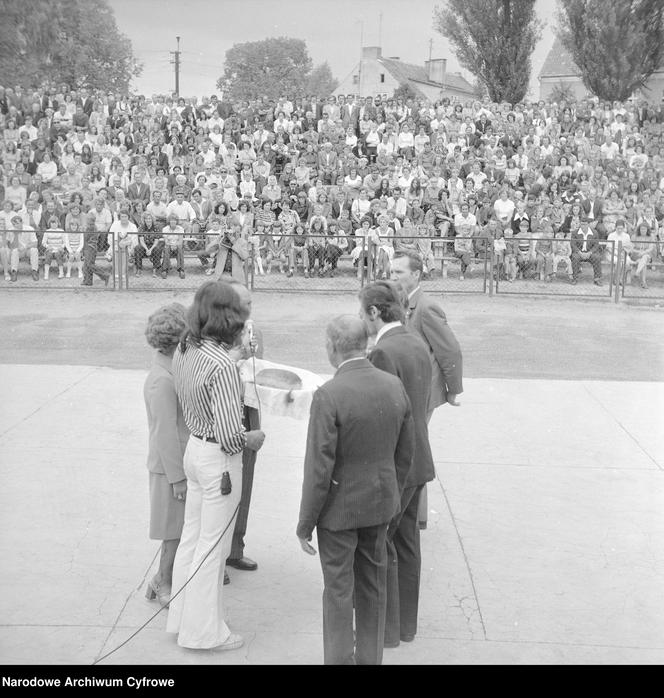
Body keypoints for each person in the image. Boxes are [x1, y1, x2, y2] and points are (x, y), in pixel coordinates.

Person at [297, 315, 414, 665]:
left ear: (333, 348)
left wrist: (305, 524)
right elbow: (405, 455)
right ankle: (369, 659)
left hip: (338, 513)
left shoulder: (329, 395)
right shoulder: (393, 386)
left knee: (337, 590)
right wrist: (392, 499)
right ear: (365, 343)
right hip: (379, 505)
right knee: (372, 587)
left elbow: (319, 469)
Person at [167, 281, 265, 651]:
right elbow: (229, 434)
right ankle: (205, 632)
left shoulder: (186, 348)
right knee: (213, 549)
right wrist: (250, 438)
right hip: (219, 459)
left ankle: (182, 619)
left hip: (194, 449)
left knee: (192, 540)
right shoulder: (222, 364)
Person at [359, 281, 434, 648]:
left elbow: (383, 416)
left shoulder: (383, 352)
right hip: (420, 460)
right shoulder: (415, 341)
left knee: (380, 547)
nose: (364, 321)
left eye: (364, 314)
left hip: (398, 467)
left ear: (375, 312)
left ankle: (384, 632)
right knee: (407, 546)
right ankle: (405, 626)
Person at [390, 250, 464, 529]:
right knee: (410, 449)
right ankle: (414, 514)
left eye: (399, 272)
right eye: (391, 271)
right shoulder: (398, 303)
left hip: (421, 393)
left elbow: (450, 349)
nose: (392, 276)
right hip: (405, 389)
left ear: (416, 275)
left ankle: (414, 516)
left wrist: (452, 390)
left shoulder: (425, 307)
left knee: (412, 450)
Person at [143, 303, 189, 607]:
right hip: (169, 467)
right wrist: (178, 478)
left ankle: (161, 580)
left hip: (176, 463)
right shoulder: (162, 379)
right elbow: (165, 433)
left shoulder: (170, 370)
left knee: (176, 530)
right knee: (172, 532)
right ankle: (163, 582)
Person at [226, 281, 264, 578]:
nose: (248, 309)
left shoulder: (255, 331)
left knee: (246, 483)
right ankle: (216, 554)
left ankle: (235, 549)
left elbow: (260, 369)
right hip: (225, 416)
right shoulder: (216, 334)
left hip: (249, 412)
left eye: (250, 303)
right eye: (242, 304)